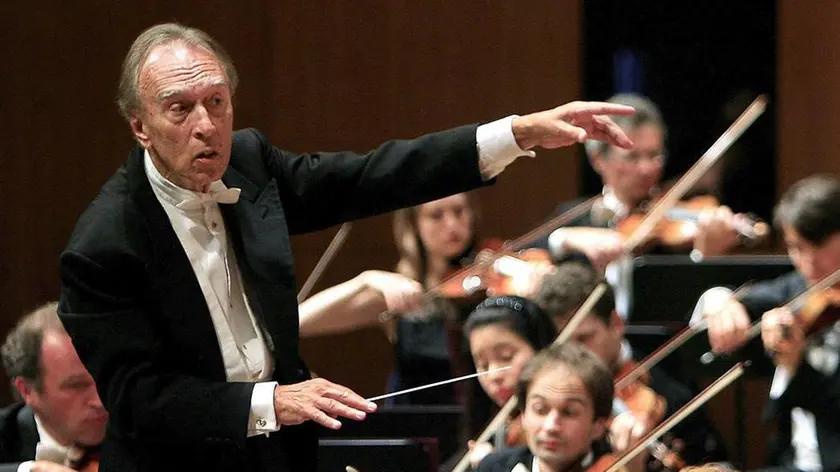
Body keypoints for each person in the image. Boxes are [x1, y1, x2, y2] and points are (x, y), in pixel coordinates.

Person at [55, 22, 636, 472]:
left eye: (217, 102)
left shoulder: (251, 162)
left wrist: (518, 132)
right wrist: (270, 403)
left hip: (281, 454)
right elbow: (139, 399)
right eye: (180, 109)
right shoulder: (104, 246)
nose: (206, 125)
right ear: (140, 126)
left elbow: (372, 177)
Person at [534, 94, 748, 320]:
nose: (647, 169)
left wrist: (704, 258)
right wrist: (563, 238)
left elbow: (687, 306)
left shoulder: (675, 226)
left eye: (654, 155)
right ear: (598, 159)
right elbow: (526, 252)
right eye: (633, 157)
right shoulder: (573, 215)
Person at [697, 174, 840, 472]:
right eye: (796, 248)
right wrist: (719, 301)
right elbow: (744, 300)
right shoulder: (797, 288)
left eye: (820, 245)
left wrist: (795, 366)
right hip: (789, 463)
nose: (809, 262)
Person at [534, 261, 729, 470]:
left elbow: (715, 461)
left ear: (616, 324)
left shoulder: (670, 391)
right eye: (562, 342)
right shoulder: (537, 385)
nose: (573, 354)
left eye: (584, 338)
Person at [475, 342, 647, 472]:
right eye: (540, 409)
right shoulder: (493, 467)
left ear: (598, 426)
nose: (551, 426)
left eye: (569, 412)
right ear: (524, 414)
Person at [0, 302, 108, 472]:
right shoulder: (5, 433)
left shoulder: (145, 428)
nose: (100, 401)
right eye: (76, 385)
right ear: (27, 390)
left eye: (104, 378)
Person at [457, 295, 558, 469]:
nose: (493, 375)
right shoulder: (496, 424)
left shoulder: (557, 426)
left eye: (506, 357)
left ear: (541, 349)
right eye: (482, 364)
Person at [297, 270, 423, 338]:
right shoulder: (396, 296)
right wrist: (364, 280)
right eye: (435, 219)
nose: (444, 225)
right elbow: (298, 321)